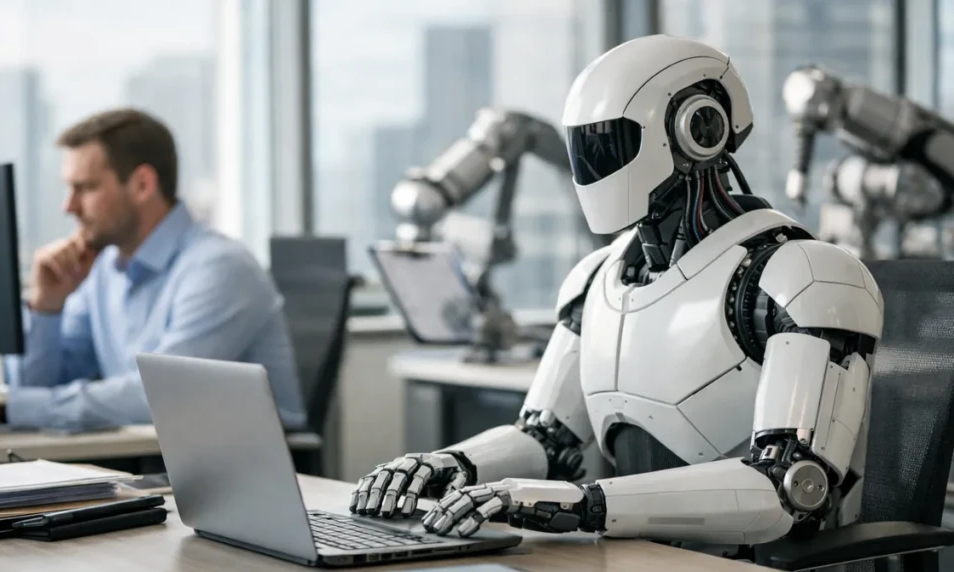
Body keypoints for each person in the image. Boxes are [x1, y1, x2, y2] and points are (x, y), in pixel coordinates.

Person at [348, 34, 883, 555]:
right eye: (587, 144)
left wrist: (584, 506)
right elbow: (547, 441)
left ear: (700, 127)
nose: (594, 161)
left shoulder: (802, 277)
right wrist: (450, 466)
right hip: (634, 554)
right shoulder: (596, 278)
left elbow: (788, 490)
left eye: (611, 142)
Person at [0, 108, 308, 432]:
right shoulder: (105, 270)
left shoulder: (219, 268)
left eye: (85, 188)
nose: (69, 206)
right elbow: (37, 385)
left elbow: (160, 397)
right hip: (158, 461)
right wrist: (47, 306)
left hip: (248, 470)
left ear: (142, 184)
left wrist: (2, 406)